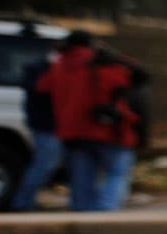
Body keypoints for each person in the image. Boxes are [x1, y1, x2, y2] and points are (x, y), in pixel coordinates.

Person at [39, 33, 144, 212]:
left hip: (73, 133)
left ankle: (82, 218)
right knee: (116, 173)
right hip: (108, 131)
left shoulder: (58, 67)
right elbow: (138, 76)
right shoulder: (107, 65)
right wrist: (116, 56)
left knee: (82, 179)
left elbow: (42, 88)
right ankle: (104, 214)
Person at [10, 25, 65, 211]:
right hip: (46, 124)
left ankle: (25, 201)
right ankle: (23, 203)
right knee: (44, 165)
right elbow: (37, 90)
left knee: (49, 164)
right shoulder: (39, 68)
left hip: (56, 124)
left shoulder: (51, 67)